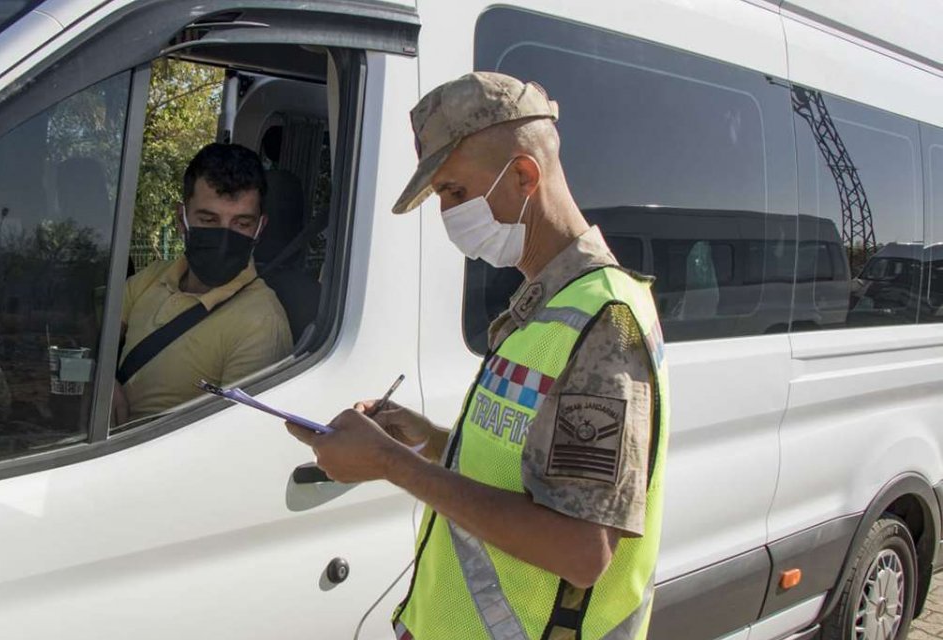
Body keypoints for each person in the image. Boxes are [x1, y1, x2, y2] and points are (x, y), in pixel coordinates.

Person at [286, 72, 669, 640]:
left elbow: (582, 548)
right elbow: (525, 472)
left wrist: (392, 465)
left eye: (454, 192)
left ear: (522, 175)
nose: (446, 213)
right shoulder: (545, 303)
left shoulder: (605, 321)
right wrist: (425, 440)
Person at [114, 143, 293, 424]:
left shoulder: (261, 322)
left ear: (260, 228)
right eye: (209, 220)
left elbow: (228, 437)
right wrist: (100, 378)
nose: (224, 236)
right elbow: (91, 332)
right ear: (181, 219)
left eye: (242, 223)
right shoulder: (154, 276)